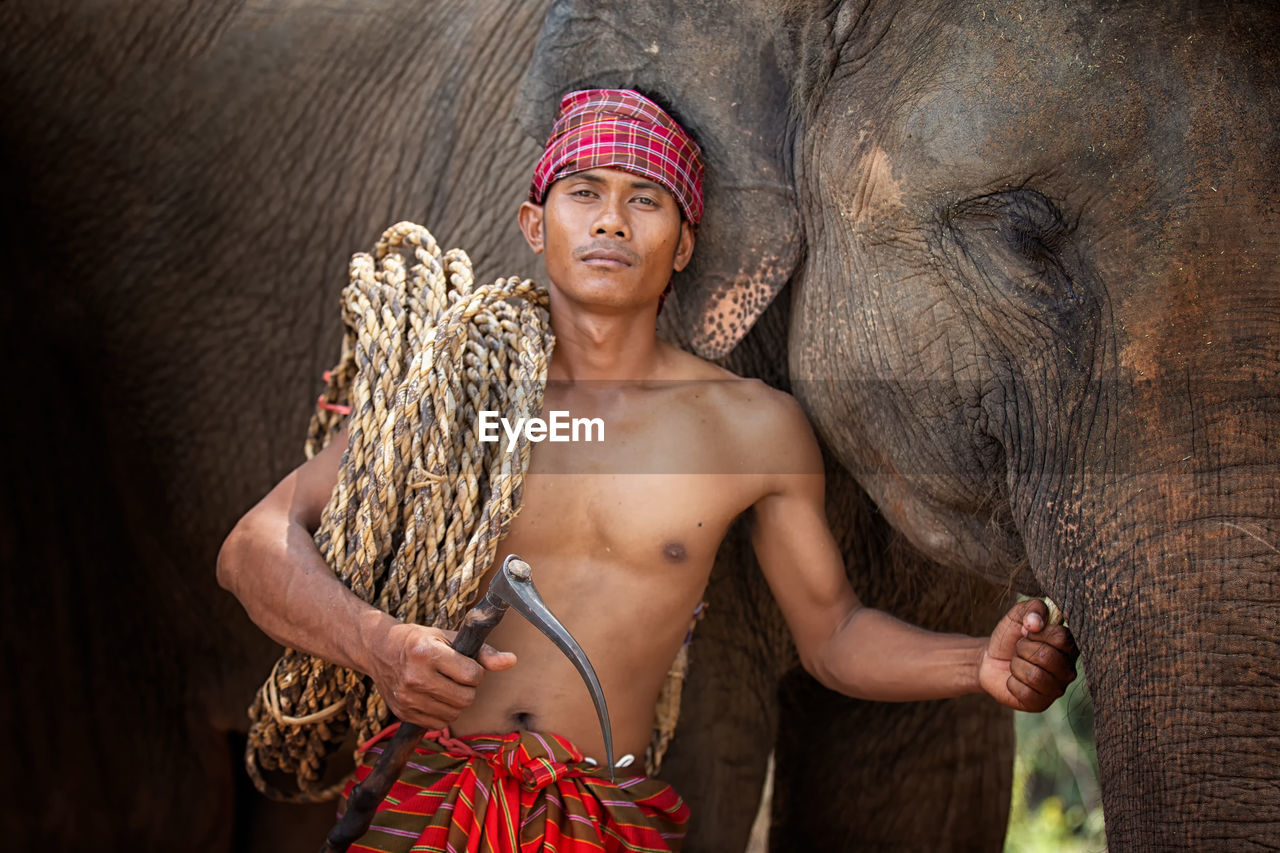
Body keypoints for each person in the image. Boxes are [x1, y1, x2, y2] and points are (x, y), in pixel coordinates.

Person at [217, 89, 1078, 852]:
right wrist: (379, 643)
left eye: (647, 199)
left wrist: (981, 666)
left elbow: (835, 634)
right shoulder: (462, 393)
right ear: (534, 224)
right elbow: (252, 545)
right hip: (429, 803)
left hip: (604, 818)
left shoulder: (749, 432)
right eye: (583, 193)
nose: (611, 221)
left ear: (685, 242)